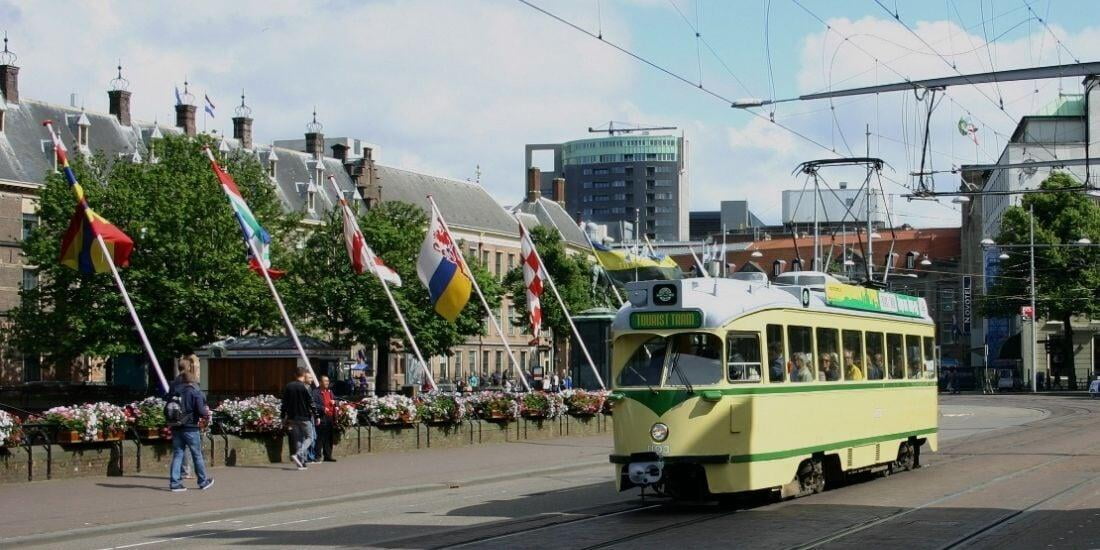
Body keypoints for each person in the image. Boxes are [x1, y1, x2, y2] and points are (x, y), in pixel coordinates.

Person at [168, 371, 213, 492]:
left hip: (176, 427)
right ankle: (203, 482)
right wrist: (206, 413)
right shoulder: (195, 392)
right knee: (197, 455)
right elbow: (202, 411)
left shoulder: (175, 392)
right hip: (191, 428)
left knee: (178, 454)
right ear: (193, 381)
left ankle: (175, 483)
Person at [281, 367, 316, 470]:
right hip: (304, 416)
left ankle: (301, 463)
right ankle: (298, 454)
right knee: (310, 437)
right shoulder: (305, 387)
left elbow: (284, 403)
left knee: (298, 439)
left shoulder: (288, 386)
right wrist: (316, 415)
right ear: (304, 374)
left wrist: (283, 416)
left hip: (292, 417)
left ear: (295, 375)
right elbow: (311, 402)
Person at [311, 375, 337, 463]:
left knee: (329, 437)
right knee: (320, 437)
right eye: (325, 381)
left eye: (328, 381)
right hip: (322, 417)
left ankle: (328, 456)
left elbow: (335, 400)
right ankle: (317, 456)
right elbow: (313, 403)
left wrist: (335, 402)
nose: (327, 383)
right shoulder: (316, 392)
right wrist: (322, 408)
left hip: (330, 417)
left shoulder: (330, 392)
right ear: (320, 382)